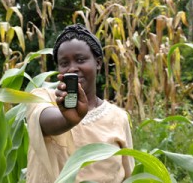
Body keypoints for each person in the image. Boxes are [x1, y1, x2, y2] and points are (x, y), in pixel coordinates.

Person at [26, 23, 134, 183]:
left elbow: (127, 175)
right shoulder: (42, 98)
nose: (72, 68)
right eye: (64, 63)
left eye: (80, 60)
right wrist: (68, 119)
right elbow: (44, 122)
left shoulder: (118, 117)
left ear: (97, 63)